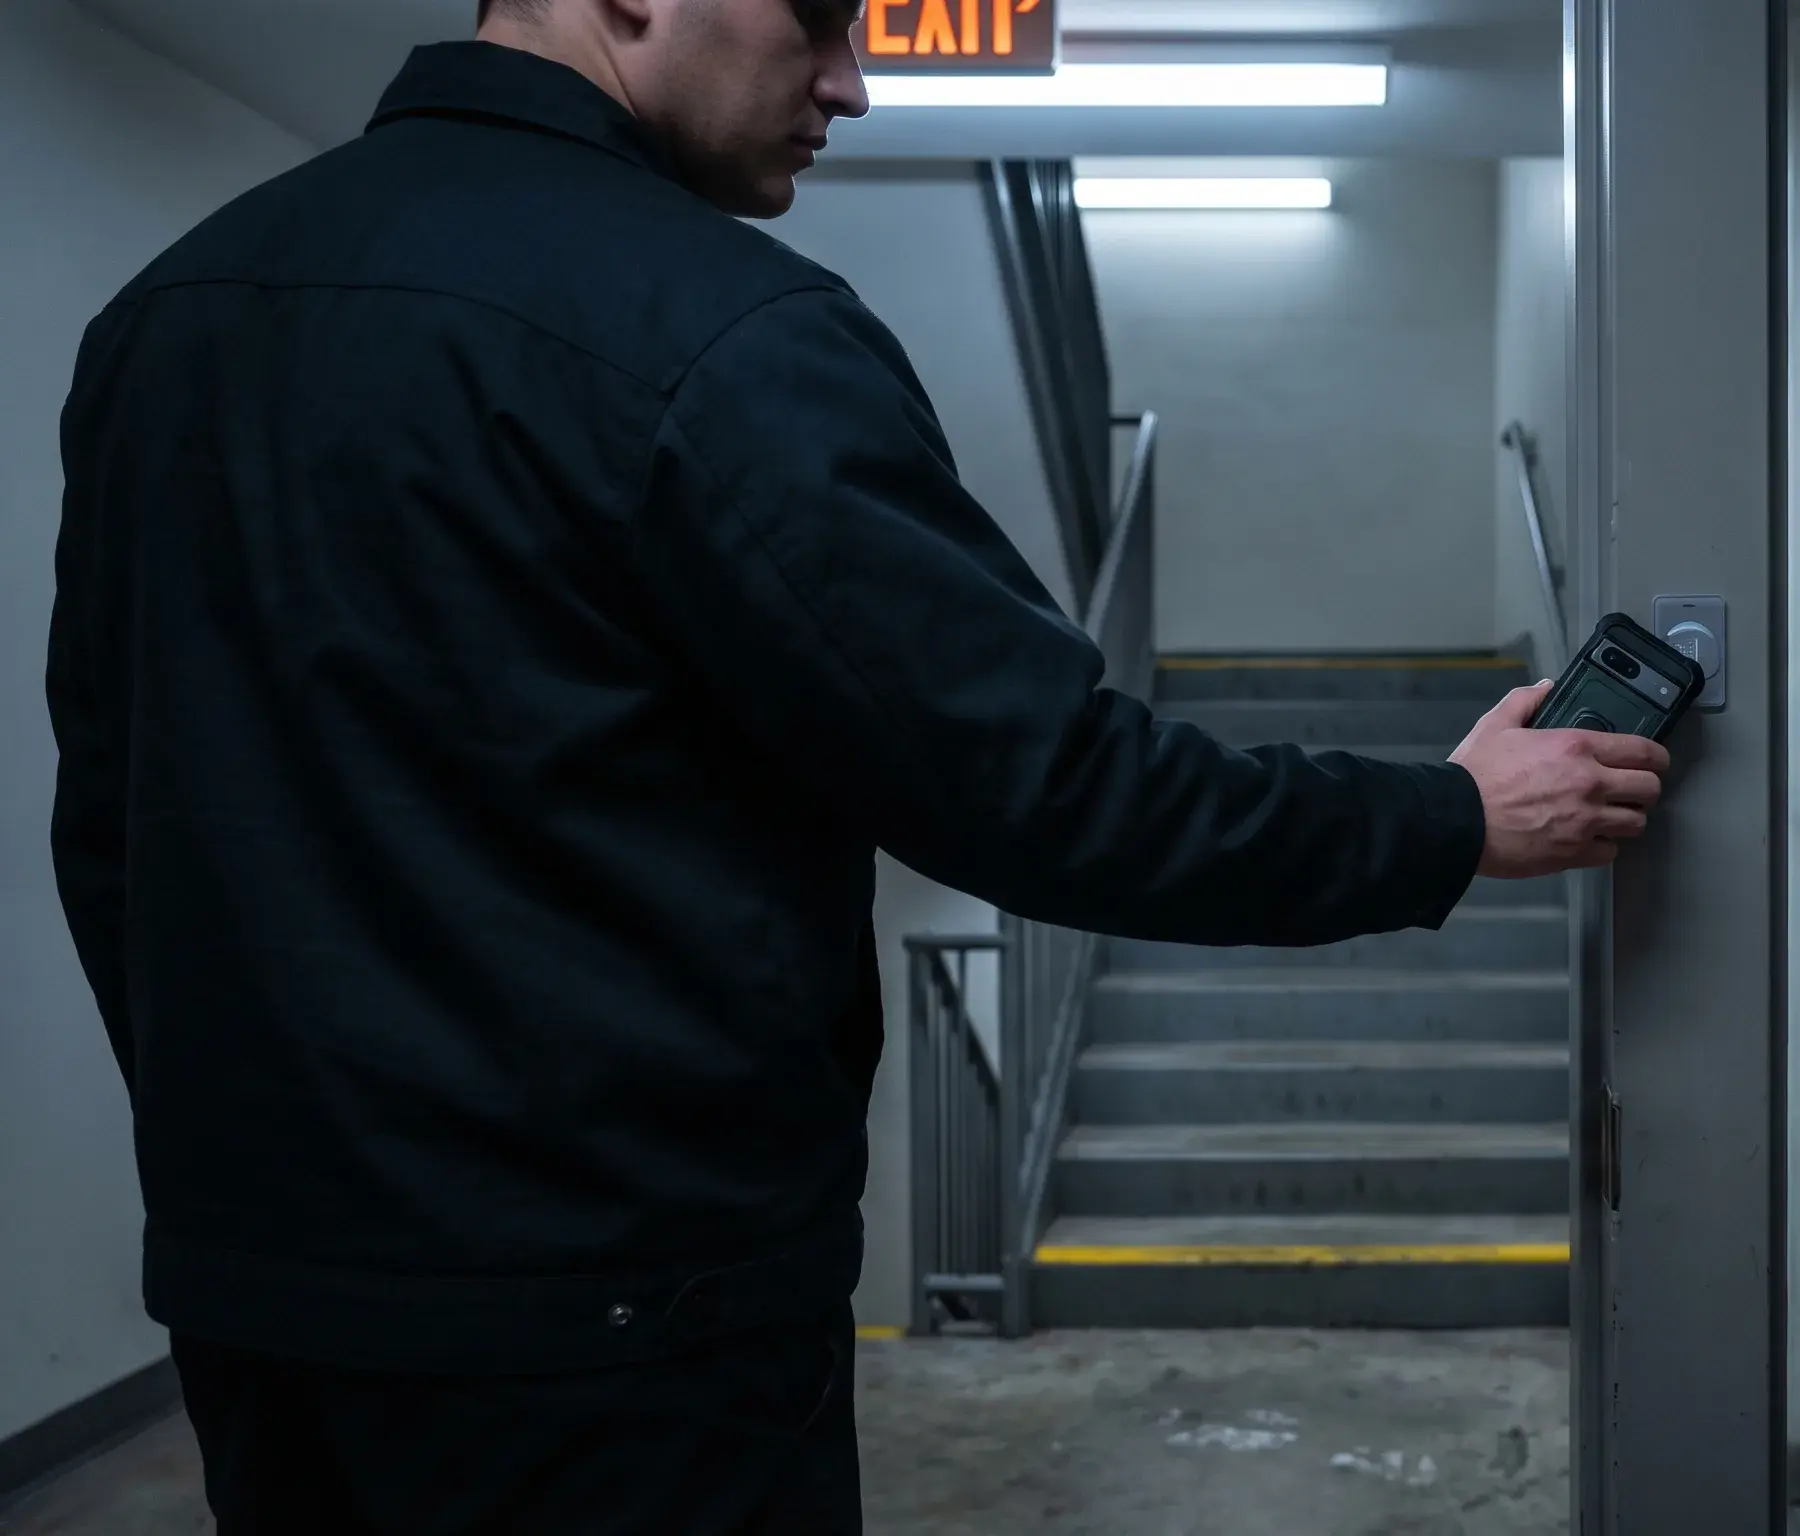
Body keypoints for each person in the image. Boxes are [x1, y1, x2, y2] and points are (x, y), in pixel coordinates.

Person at [43, 0, 1668, 1529]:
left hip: (264, 1316)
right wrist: (1448, 817)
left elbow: (112, 830)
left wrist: (249, 1183)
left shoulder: (171, 315)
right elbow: (1048, 788)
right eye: (814, 15)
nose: (851, 81)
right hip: (618, 1345)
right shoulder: (716, 327)